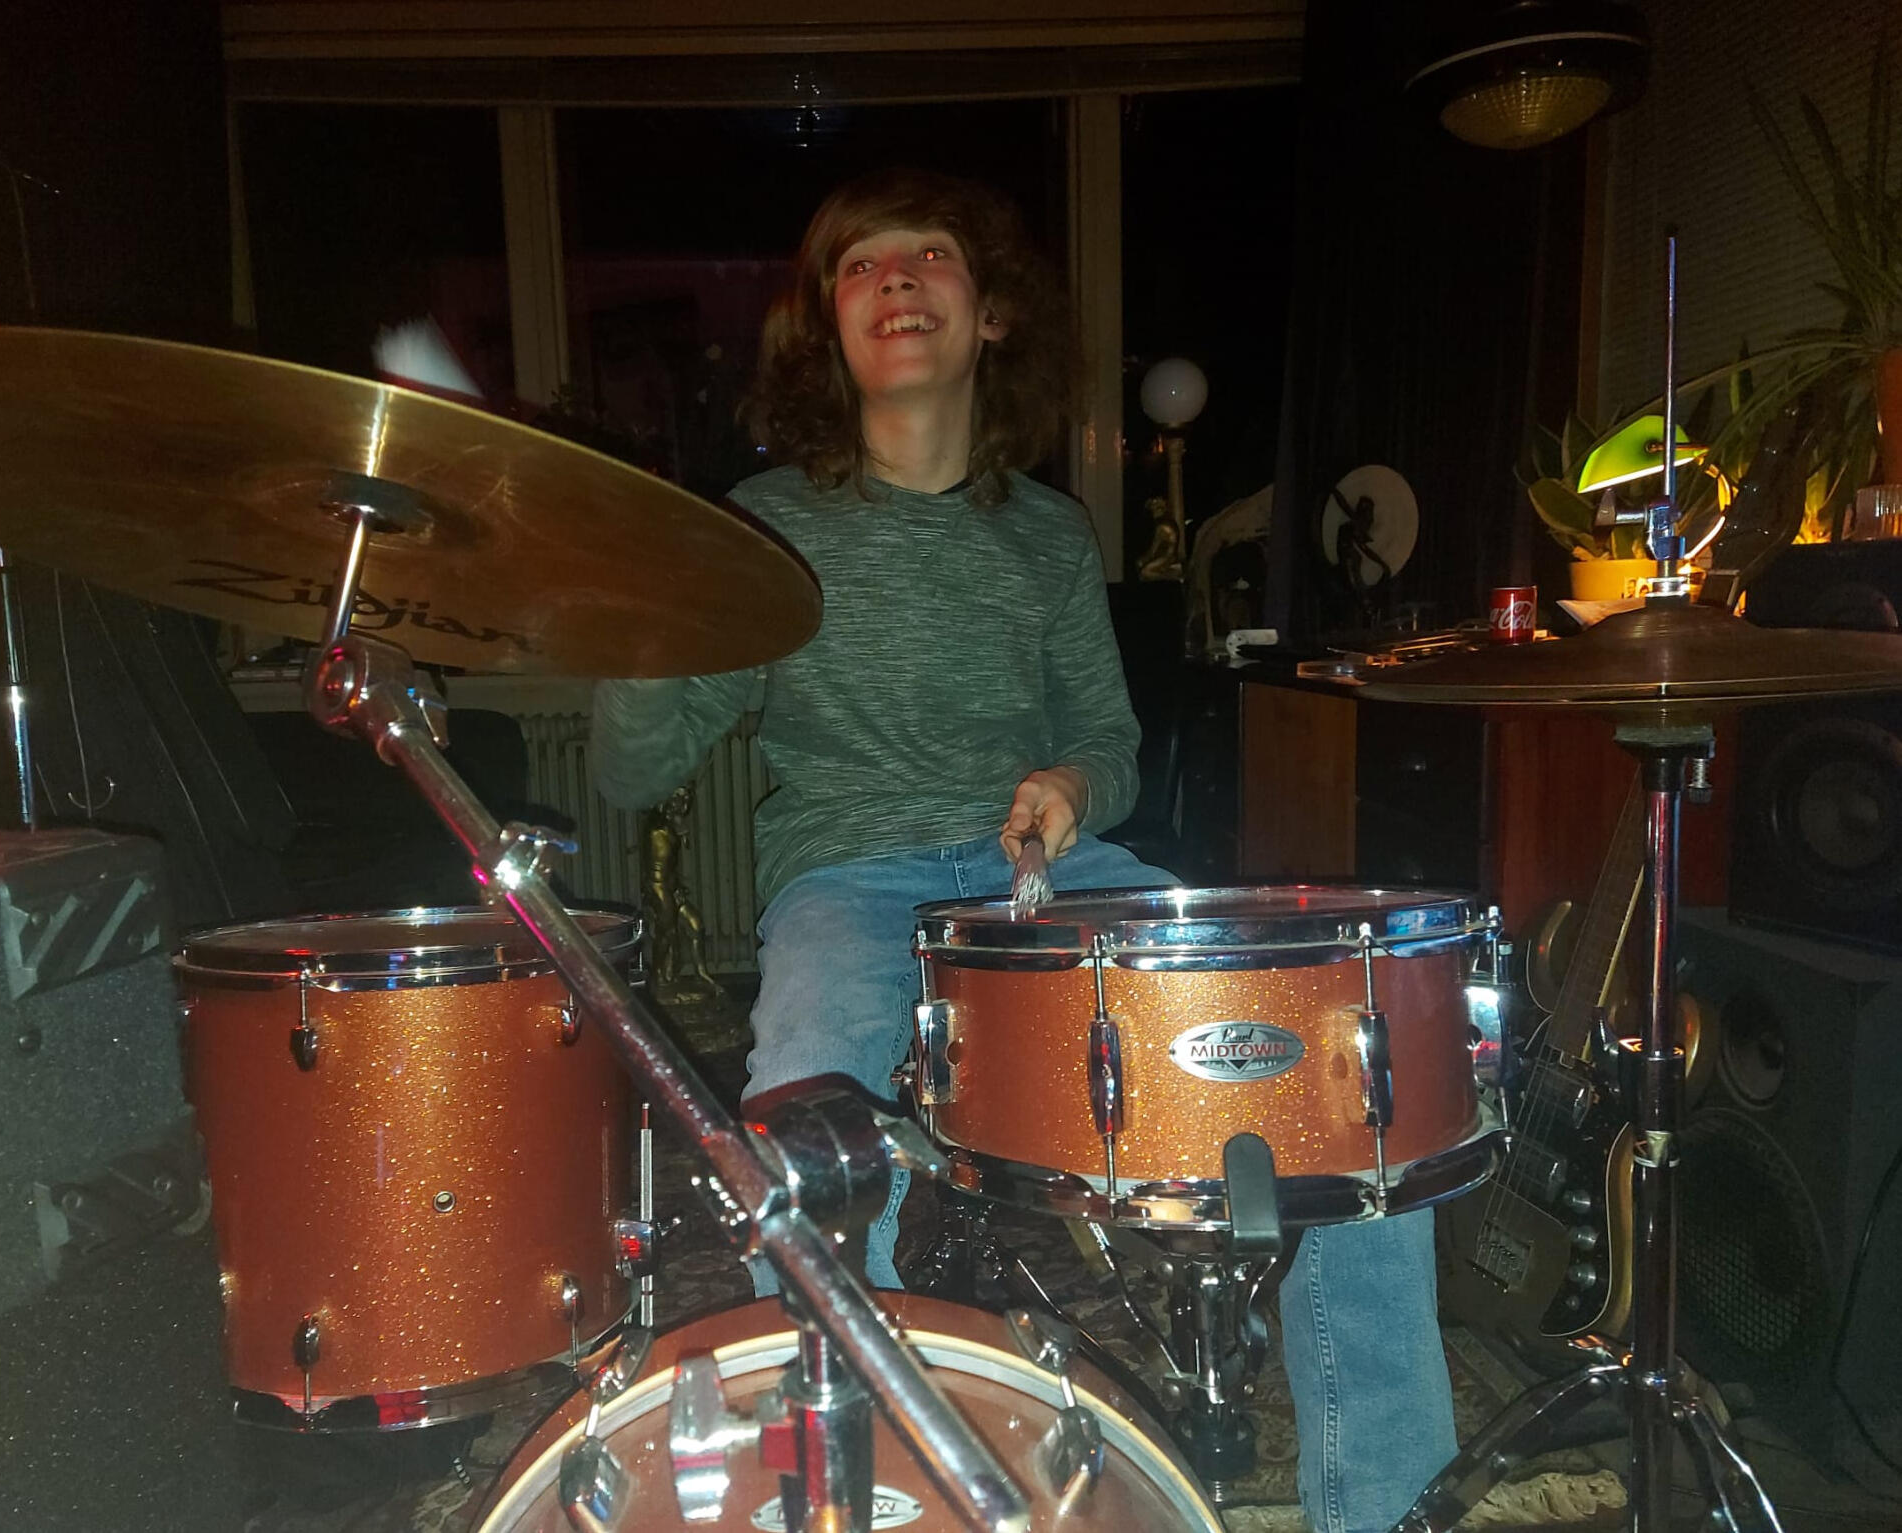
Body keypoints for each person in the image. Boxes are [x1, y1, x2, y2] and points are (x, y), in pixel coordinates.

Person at [591, 167, 1456, 1533]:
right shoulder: (764, 526)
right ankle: (859, 1489)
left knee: (1344, 1070)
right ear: (828, 330)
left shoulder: (1049, 534)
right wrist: (640, 611)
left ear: (989, 314)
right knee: (807, 1137)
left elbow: (1109, 743)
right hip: (849, 883)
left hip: (1047, 877)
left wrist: (1071, 781)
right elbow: (634, 768)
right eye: (859, 264)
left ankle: (1382, 1506)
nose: (894, 277)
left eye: (927, 254)